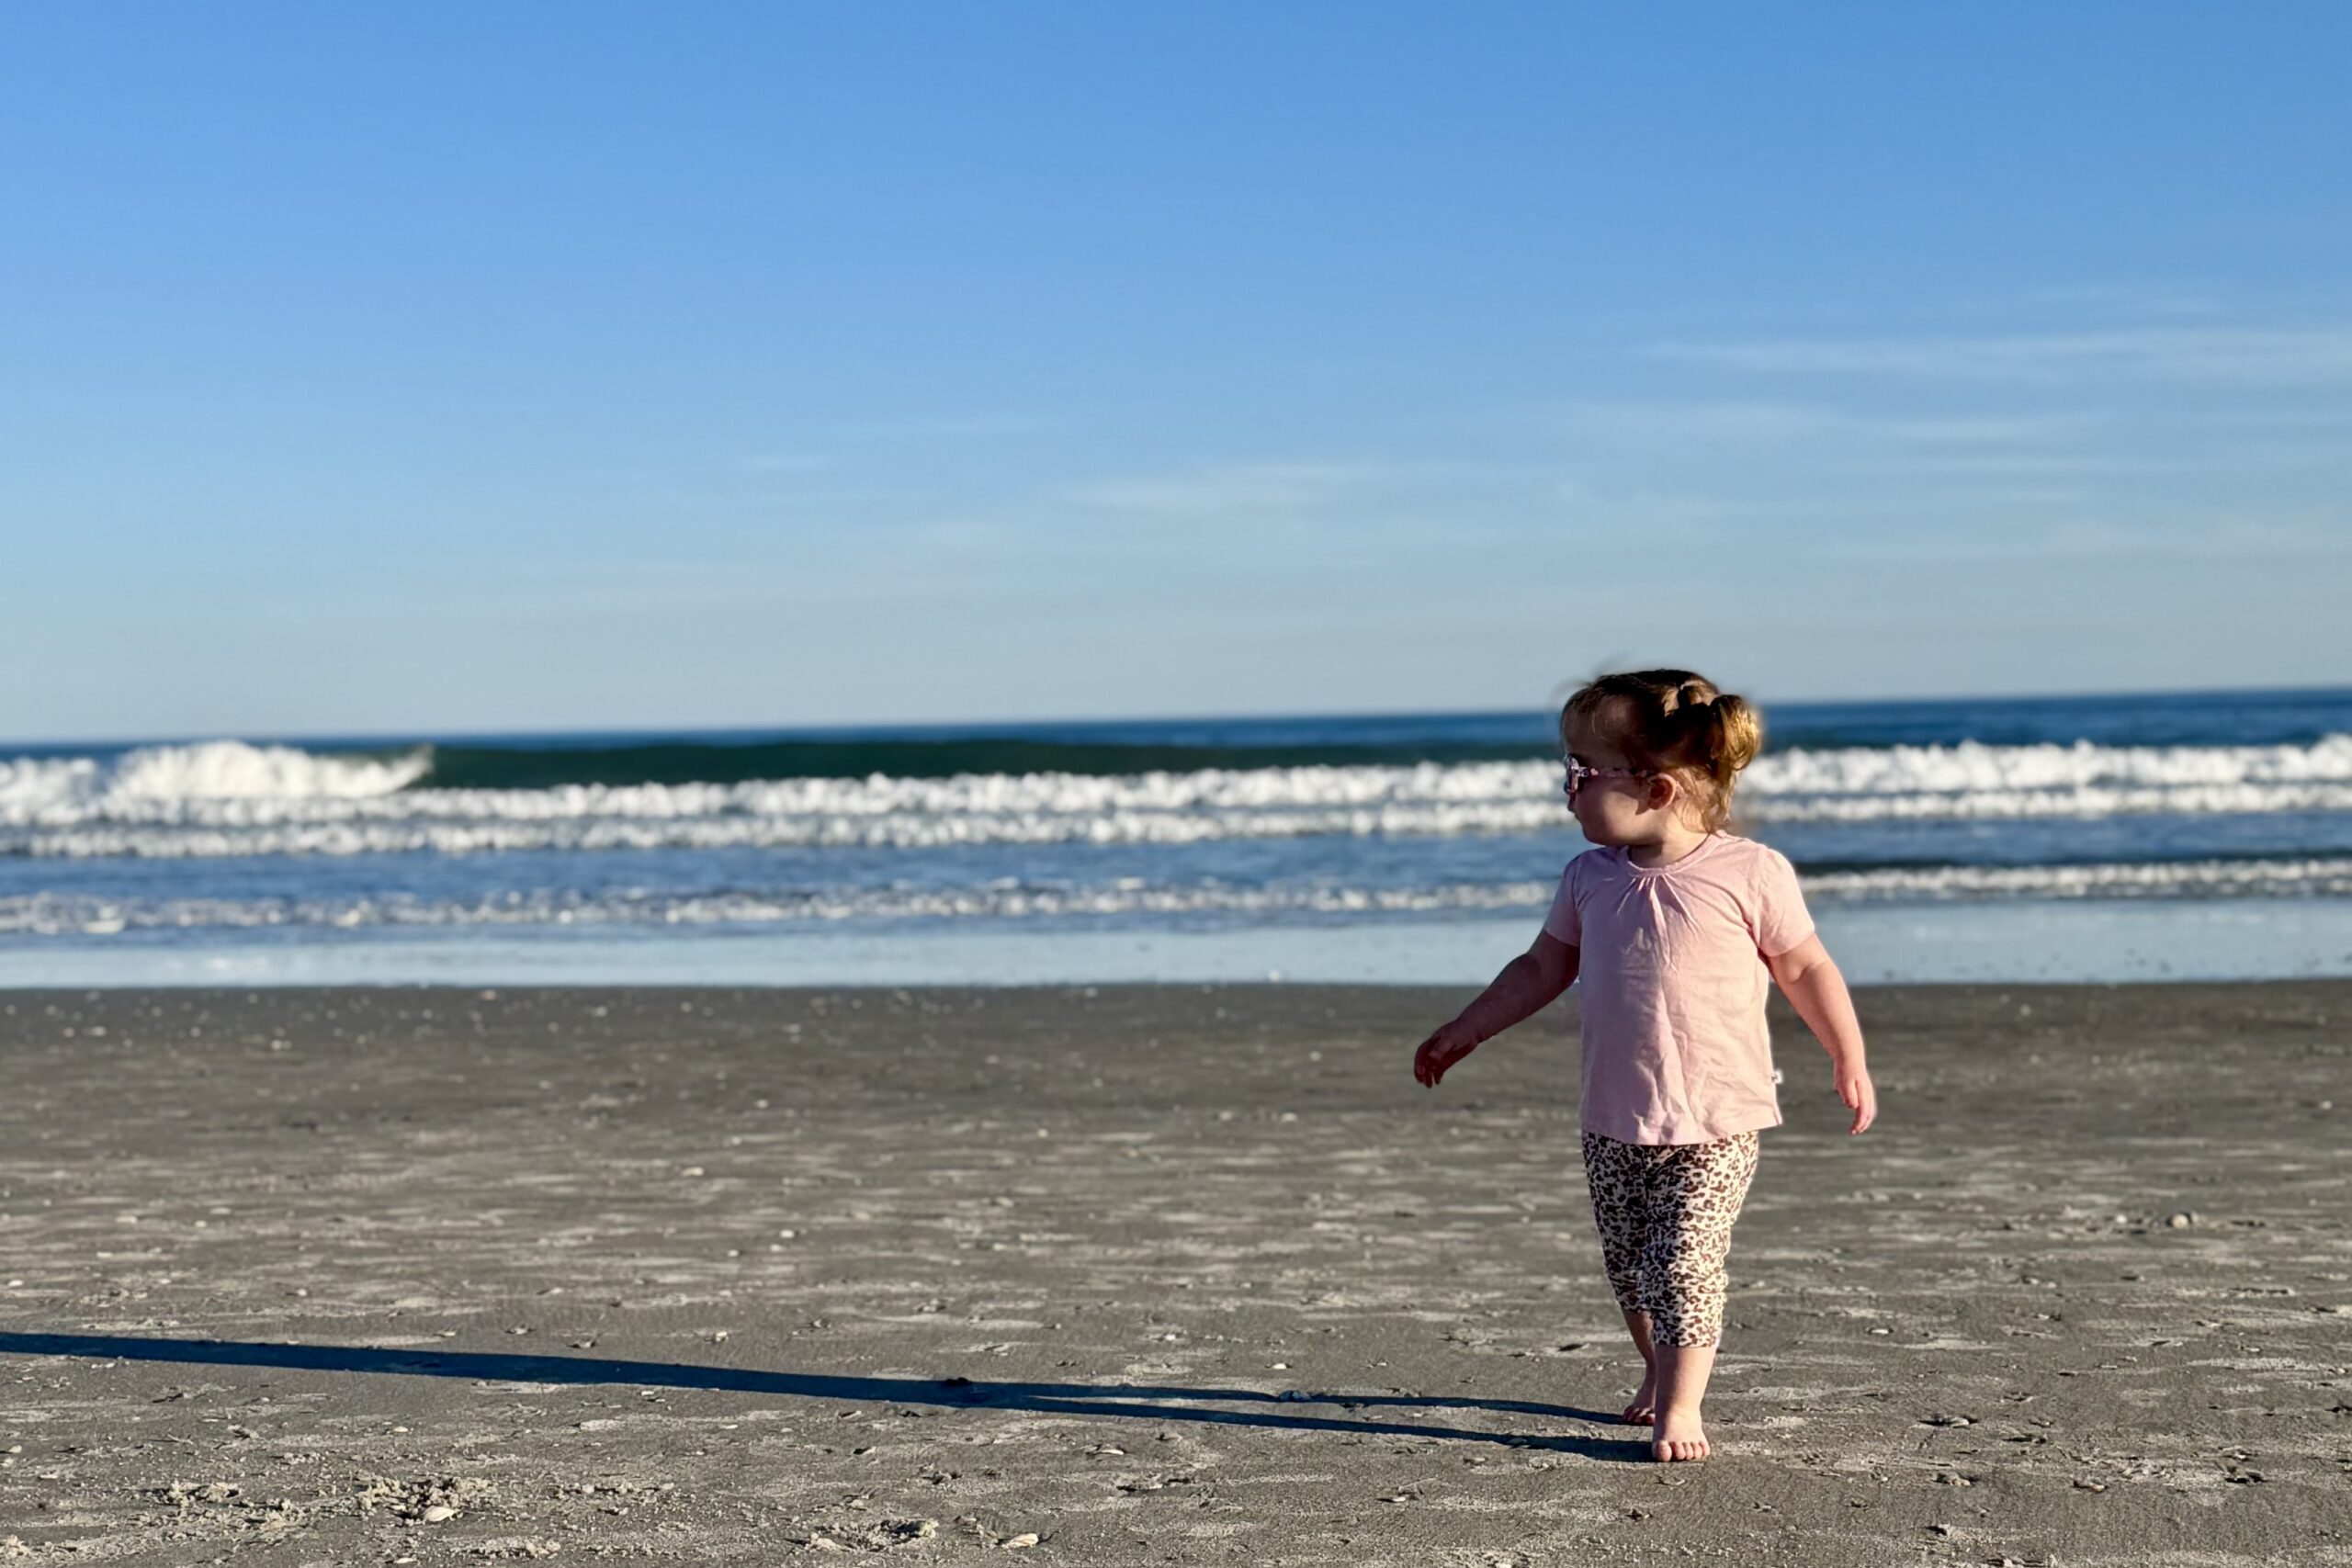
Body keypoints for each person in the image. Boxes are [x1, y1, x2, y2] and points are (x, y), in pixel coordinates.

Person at [1411, 669, 1876, 1463]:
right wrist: (1468, 1027)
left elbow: (1805, 968)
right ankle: (1659, 1372)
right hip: (1614, 1115)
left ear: (1657, 787)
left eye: (1581, 772)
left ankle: (1682, 1405)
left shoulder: (1751, 873)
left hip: (1716, 1117)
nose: (1567, 791)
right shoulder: (1588, 879)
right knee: (1630, 1269)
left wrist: (1848, 1054)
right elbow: (1540, 968)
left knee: (1684, 1259)